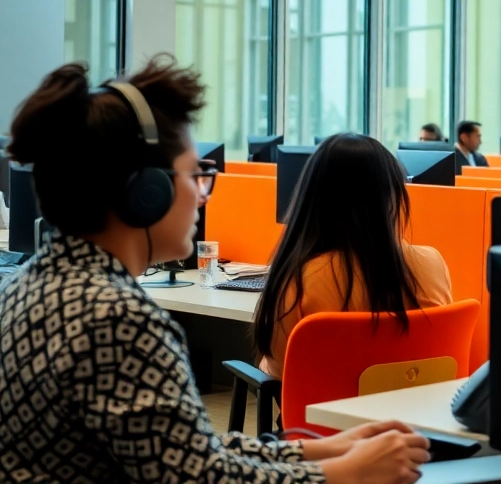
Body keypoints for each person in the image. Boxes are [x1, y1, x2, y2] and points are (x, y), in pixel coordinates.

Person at [0, 59, 430, 484]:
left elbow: (181, 449)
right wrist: (340, 474)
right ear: (147, 190)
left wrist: (318, 448)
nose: (204, 195)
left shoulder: (27, 287)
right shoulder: (116, 320)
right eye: (197, 174)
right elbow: (200, 478)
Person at [255, 133, 453, 379]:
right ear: (391, 197)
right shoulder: (432, 263)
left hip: (325, 415)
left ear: (314, 199)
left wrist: (264, 364)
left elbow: (281, 369)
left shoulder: (299, 279)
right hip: (414, 410)